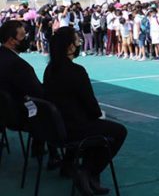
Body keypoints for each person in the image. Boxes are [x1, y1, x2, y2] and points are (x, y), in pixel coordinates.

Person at [43, 26, 127, 196]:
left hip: (55, 127)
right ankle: (88, 171)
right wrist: (97, 115)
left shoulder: (50, 69)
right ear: (70, 47)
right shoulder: (76, 71)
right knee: (118, 132)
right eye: (76, 39)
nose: (78, 42)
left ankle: (87, 174)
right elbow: (90, 104)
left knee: (97, 127)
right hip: (73, 128)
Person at [0, 20, 60, 167]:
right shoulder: (19, 65)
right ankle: (56, 156)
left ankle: (38, 147)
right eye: (22, 36)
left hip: (3, 113)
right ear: (11, 40)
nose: (26, 38)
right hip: (18, 115)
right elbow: (39, 93)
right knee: (50, 108)